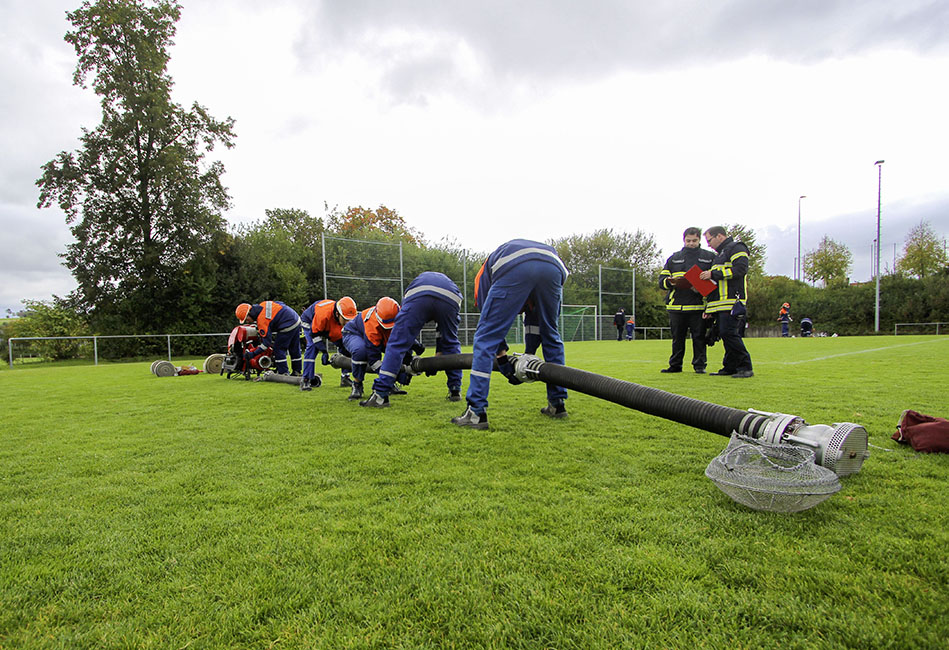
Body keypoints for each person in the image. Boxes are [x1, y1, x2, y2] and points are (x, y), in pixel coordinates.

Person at [452, 239, 569, 430]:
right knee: (551, 335)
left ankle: (476, 412)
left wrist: (506, 356)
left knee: (484, 338)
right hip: (554, 266)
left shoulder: (482, 278)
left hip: (515, 264)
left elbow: (490, 328)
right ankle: (557, 404)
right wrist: (516, 354)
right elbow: (535, 322)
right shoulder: (493, 280)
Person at [360, 272, 464, 408]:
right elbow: (444, 336)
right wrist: (439, 357)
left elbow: (403, 340)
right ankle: (455, 389)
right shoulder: (446, 285)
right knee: (451, 342)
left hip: (418, 294)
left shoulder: (410, 294)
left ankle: (380, 394)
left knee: (397, 344)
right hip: (452, 297)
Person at [658, 227, 716, 373]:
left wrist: (701, 287)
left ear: (699, 240)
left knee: (699, 338)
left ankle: (700, 366)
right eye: (688, 241)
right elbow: (661, 280)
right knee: (677, 338)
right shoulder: (674, 257)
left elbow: (716, 280)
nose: (691, 243)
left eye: (694, 240)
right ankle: (675, 365)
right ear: (684, 240)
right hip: (676, 306)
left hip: (698, 306)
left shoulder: (709, 257)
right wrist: (670, 282)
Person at [699, 226, 754, 378]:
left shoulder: (737, 248)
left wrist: (713, 273)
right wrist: (709, 308)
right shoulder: (719, 256)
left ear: (720, 236)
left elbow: (740, 270)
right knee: (725, 334)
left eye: (709, 240)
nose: (708, 244)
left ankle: (745, 366)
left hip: (733, 301)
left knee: (729, 333)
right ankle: (730, 366)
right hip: (721, 303)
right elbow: (716, 285)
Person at [340, 296, 400, 401]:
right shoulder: (371, 325)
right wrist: (387, 376)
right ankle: (357, 384)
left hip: (377, 334)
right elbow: (373, 359)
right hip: (353, 333)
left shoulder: (399, 316)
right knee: (361, 351)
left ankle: (388, 384)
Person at [299, 296, 358, 391]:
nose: (347, 322)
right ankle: (306, 380)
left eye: (349, 320)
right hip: (310, 322)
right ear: (338, 314)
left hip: (331, 322)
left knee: (345, 346)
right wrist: (324, 351)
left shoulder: (341, 314)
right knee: (313, 347)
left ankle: (345, 377)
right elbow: (315, 334)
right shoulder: (323, 314)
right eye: (345, 319)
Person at [234, 300, 303, 375]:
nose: (247, 322)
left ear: (249, 314)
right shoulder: (263, 304)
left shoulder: (262, 320)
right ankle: (297, 371)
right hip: (296, 319)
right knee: (294, 348)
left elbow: (266, 344)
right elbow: (281, 303)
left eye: (246, 319)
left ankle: (283, 373)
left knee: (279, 349)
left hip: (287, 324)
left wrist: (253, 354)